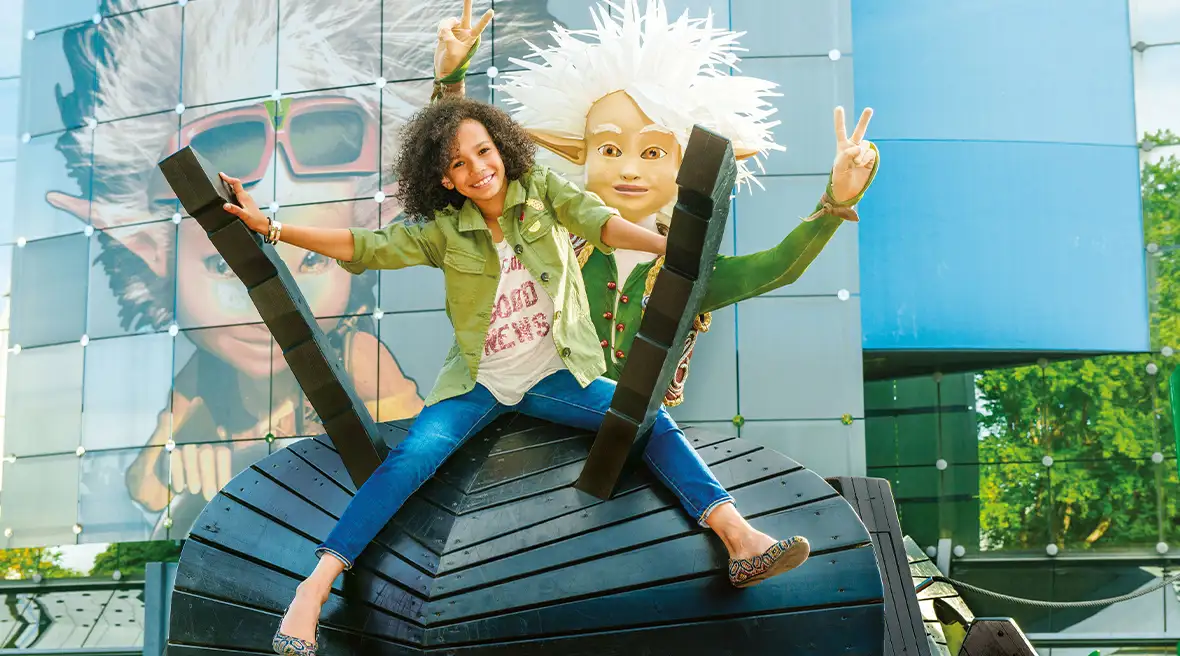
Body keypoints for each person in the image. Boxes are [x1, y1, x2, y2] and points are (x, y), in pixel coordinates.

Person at [218, 94, 811, 655]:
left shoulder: (542, 192)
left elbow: (598, 221)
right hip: (477, 383)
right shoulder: (444, 232)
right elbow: (365, 244)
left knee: (649, 422)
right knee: (407, 465)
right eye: (458, 163)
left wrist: (666, 247)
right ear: (445, 179)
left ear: (501, 148)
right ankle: (314, 587)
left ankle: (739, 539)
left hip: (555, 375)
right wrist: (272, 228)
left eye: (484, 151)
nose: (478, 168)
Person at [486, 0, 880, 406]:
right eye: (609, 148)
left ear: (684, 165)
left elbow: (779, 267)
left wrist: (837, 199)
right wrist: (450, 80)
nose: (629, 170)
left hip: (636, 441)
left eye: (653, 153)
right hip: (545, 425)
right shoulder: (549, 246)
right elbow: (465, 203)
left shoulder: (690, 270)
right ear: (580, 155)